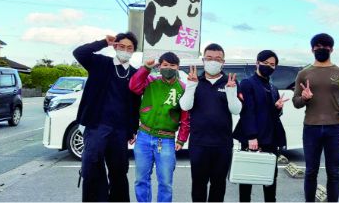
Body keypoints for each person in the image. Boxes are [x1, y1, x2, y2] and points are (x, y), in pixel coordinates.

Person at [73, 33, 140, 202]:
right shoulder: (101, 63)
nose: (125, 50)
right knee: (92, 166)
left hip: (120, 130)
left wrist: (132, 129)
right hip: (97, 125)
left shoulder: (134, 73)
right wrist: (103, 42)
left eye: (129, 48)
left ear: (134, 51)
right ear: (116, 47)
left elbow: (135, 103)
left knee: (119, 170)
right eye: (122, 46)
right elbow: (79, 53)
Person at [292, 33, 339, 202]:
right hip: (311, 127)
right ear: (312, 49)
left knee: (333, 172)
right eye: (317, 46)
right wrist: (304, 97)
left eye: (325, 46)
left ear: (331, 49)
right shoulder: (303, 74)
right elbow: (296, 102)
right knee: (311, 171)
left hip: (335, 128)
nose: (321, 49)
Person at [179, 43, 242, 202]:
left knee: (218, 185)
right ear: (203, 60)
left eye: (217, 59)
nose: (213, 61)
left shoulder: (231, 83)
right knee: (198, 185)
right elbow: (185, 106)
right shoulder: (195, 81)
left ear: (223, 62)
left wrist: (231, 92)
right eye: (209, 58)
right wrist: (191, 86)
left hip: (223, 144)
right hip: (199, 144)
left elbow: (236, 110)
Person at [129, 52, 189, 202]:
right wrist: (145, 68)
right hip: (144, 136)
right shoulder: (150, 81)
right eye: (165, 65)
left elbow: (186, 117)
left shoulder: (183, 88)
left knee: (166, 183)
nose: (168, 68)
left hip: (167, 139)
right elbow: (134, 86)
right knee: (141, 180)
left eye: (172, 65)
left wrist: (181, 139)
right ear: (160, 66)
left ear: (178, 67)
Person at [233, 50, 288, 202]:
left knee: (270, 178)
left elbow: (272, 115)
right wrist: (251, 136)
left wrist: (277, 107)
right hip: (253, 138)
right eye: (265, 63)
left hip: (270, 138)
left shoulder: (272, 87)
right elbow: (247, 111)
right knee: (247, 178)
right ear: (257, 63)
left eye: (272, 64)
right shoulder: (247, 83)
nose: (269, 66)